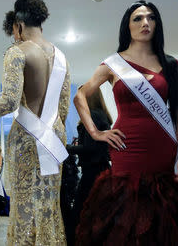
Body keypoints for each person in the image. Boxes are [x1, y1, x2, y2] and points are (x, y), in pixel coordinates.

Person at [74, 0, 178, 245]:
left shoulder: (170, 64)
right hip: (126, 147)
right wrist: (96, 132)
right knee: (125, 217)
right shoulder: (112, 64)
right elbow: (80, 95)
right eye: (138, 18)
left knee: (164, 218)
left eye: (151, 18)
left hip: (163, 149)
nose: (145, 23)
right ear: (127, 26)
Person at [0, 0, 70, 245]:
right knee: (48, 204)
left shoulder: (17, 51)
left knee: (25, 203)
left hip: (27, 136)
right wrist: (52, 130)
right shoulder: (62, 57)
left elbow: (10, 101)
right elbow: (63, 105)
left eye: (13, 31)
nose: (14, 37)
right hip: (54, 136)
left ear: (18, 26)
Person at [66, 89, 112, 244]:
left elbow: (89, 148)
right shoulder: (101, 115)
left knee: (79, 213)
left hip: (93, 172)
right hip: (100, 170)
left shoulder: (92, 115)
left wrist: (66, 147)